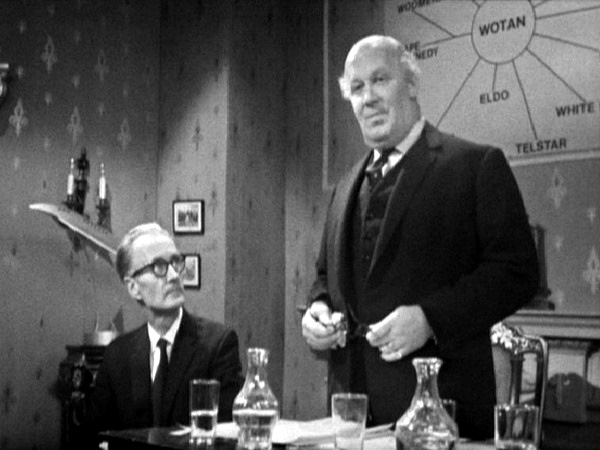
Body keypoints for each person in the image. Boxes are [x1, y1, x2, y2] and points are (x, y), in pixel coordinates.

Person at [301, 35, 539, 439]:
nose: (368, 98)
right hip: (351, 419)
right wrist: (318, 310)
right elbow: (325, 278)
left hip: (443, 418)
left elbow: (518, 273)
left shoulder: (476, 165)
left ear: (411, 83)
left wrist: (430, 318)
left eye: (380, 80)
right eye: (356, 88)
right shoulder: (343, 187)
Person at [87, 223, 243, 433]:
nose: (174, 275)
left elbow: (227, 434)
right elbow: (96, 436)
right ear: (133, 287)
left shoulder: (218, 346)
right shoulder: (117, 355)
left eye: (176, 263)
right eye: (158, 267)